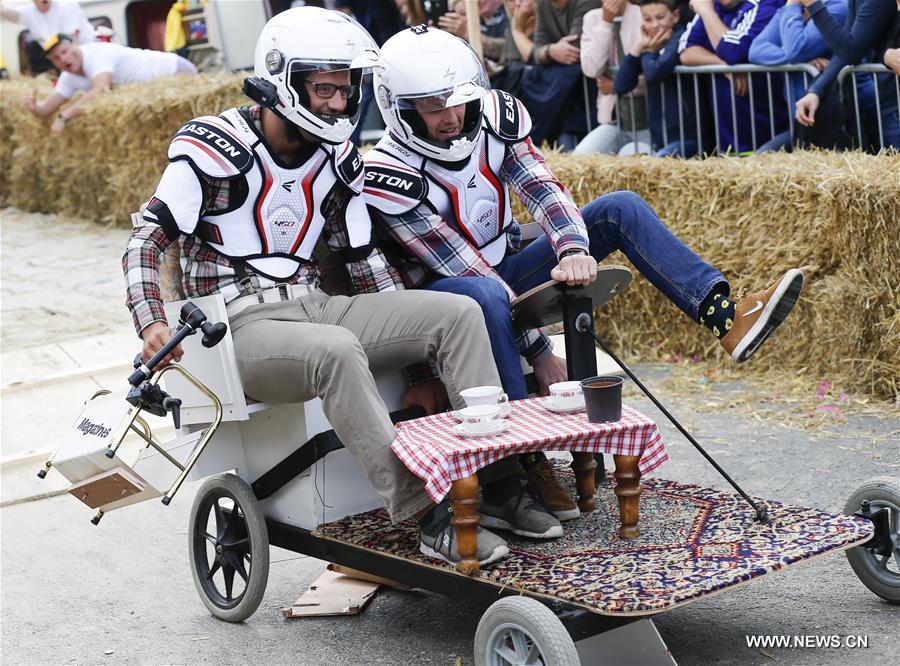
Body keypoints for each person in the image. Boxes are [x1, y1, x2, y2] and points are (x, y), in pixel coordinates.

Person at [123, 7, 556, 568]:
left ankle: (497, 482)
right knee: (337, 351)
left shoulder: (339, 156)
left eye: (344, 89)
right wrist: (151, 320)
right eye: (323, 88)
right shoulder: (213, 146)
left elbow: (365, 262)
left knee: (456, 312)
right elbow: (146, 240)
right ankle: (426, 516)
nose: (336, 103)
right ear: (280, 77)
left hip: (320, 305)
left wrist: (418, 367)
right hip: (239, 326)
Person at [364, 27, 804, 516]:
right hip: (451, 294)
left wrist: (572, 245)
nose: (450, 117)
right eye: (431, 106)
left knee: (621, 207)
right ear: (399, 109)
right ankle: (524, 460)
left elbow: (542, 188)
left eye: (459, 101)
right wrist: (540, 351)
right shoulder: (385, 173)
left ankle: (725, 317)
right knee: (484, 295)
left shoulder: (495, 118)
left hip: (501, 263)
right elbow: (465, 267)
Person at [24, 34, 197, 135]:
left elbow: (100, 89)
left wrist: (64, 117)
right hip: (155, 92)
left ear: (74, 46)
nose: (63, 59)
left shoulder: (98, 53)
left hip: (175, 71)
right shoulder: (69, 76)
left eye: (64, 51)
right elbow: (46, 110)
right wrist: (34, 108)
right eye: (56, 58)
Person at [679, 0, 788, 153]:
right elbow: (686, 52)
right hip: (728, 143)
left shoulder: (765, 4)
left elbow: (733, 51)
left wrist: (707, 13)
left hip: (768, 131)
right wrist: (722, 65)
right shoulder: (711, 5)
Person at [794, 0, 900, 150]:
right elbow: (847, 50)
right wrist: (816, 90)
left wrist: (813, 5)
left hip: (894, 104)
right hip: (888, 103)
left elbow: (851, 50)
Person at [749, 0, 851, 152]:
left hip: (841, 117)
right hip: (804, 120)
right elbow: (756, 51)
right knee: (760, 159)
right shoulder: (791, 9)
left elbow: (797, 48)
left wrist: (796, 55)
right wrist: (799, 59)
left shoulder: (837, 6)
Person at [612, 0, 705, 157]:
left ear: (675, 16)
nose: (654, 25)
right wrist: (638, 46)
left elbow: (654, 72)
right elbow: (621, 85)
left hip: (689, 137)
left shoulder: (681, 37)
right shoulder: (652, 44)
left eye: (660, 17)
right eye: (647, 20)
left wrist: (648, 52)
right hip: (660, 138)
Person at [575, 0, 652, 155]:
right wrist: (605, 23)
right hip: (613, 122)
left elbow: (652, 73)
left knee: (631, 158)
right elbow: (591, 69)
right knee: (581, 156)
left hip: (647, 121)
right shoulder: (592, 18)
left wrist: (615, 86)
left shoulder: (643, 14)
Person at [0, 0, 95, 75]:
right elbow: (12, 15)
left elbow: (71, 42)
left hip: (81, 54)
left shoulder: (67, 6)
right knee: (34, 47)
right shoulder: (30, 12)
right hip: (56, 56)